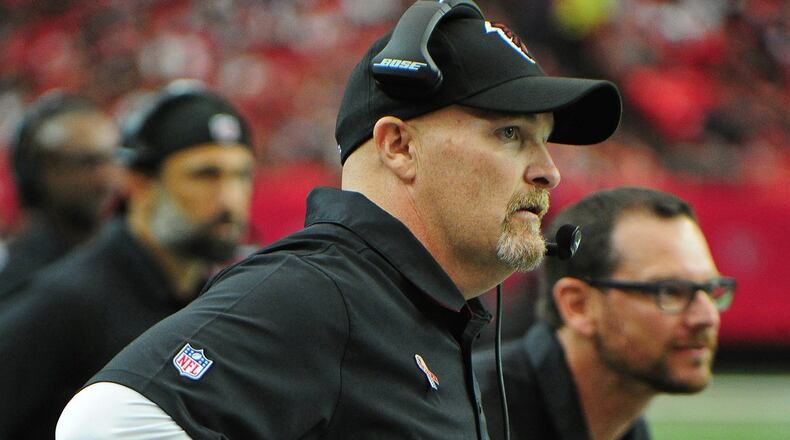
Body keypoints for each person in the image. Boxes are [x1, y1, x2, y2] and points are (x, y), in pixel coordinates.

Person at [57, 2, 622, 439]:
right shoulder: (322, 291)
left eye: (544, 141)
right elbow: (104, 422)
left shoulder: (408, 306)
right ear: (399, 146)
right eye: (510, 133)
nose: (549, 171)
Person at [0, 82, 255, 440]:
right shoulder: (68, 302)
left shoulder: (221, 297)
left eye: (242, 175)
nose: (230, 199)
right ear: (137, 182)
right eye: (205, 175)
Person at [474, 187, 736, 440]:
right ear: (578, 305)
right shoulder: (473, 415)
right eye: (670, 291)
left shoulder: (625, 428)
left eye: (711, 289)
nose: (707, 317)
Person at [0, 91, 121, 296]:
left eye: (112, 159)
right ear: (38, 170)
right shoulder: (16, 284)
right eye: (86, 162)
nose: (107, 179)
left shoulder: (128, 260)